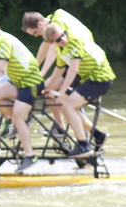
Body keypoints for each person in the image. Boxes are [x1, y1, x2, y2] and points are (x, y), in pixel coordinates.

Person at [0, 17, 44, 172]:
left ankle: (30, 156)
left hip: (30, 82)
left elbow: (0, 67)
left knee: (18, 116)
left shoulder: (4, 41)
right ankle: (12, 121)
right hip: (18, 82)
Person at [42, 22, 115, 158]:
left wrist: (60, 93)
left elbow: (73, 69)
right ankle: (98, 135)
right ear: (53, 43)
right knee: (66, 105)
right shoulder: (60, 50)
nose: (63, 40)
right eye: (58, 40)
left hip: (100, 79)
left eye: (63, 35)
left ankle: (83, 145)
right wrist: (44, 88)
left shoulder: (74, 41)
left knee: (68, 105)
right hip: (89, 80)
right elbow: (58, 70)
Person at [21, 9, 94, 78]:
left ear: (40, 24)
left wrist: (42, 73)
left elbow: (53, 50)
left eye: (35, 32)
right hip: (78, 52)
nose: (36, 36)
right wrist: (34, 67)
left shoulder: (56, 24)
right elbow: (46, 44)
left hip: (87, 53)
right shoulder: (51, 19)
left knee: (60, 80)